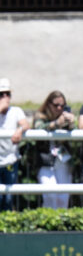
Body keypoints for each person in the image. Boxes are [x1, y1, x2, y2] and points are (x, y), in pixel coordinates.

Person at [33, 90, 75, 209]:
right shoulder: (41, 116)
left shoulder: (66, 116)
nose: (59, 108)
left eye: (62, 105)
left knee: (63, 198)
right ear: (48, 104)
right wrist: (56, 124)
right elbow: (38, 128)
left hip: (63, 162)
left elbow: (75, 131)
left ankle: (61, 224)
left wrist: (71, 123)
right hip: (45, 162)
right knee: (50, 196)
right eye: (56, 105)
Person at [0, 78, 30, 211]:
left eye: (8, 94)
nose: (5, 97)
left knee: (8, 198)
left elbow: (25, 124)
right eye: (1, 94)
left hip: (11, 160)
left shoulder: (16, 110)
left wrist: (20, 130)